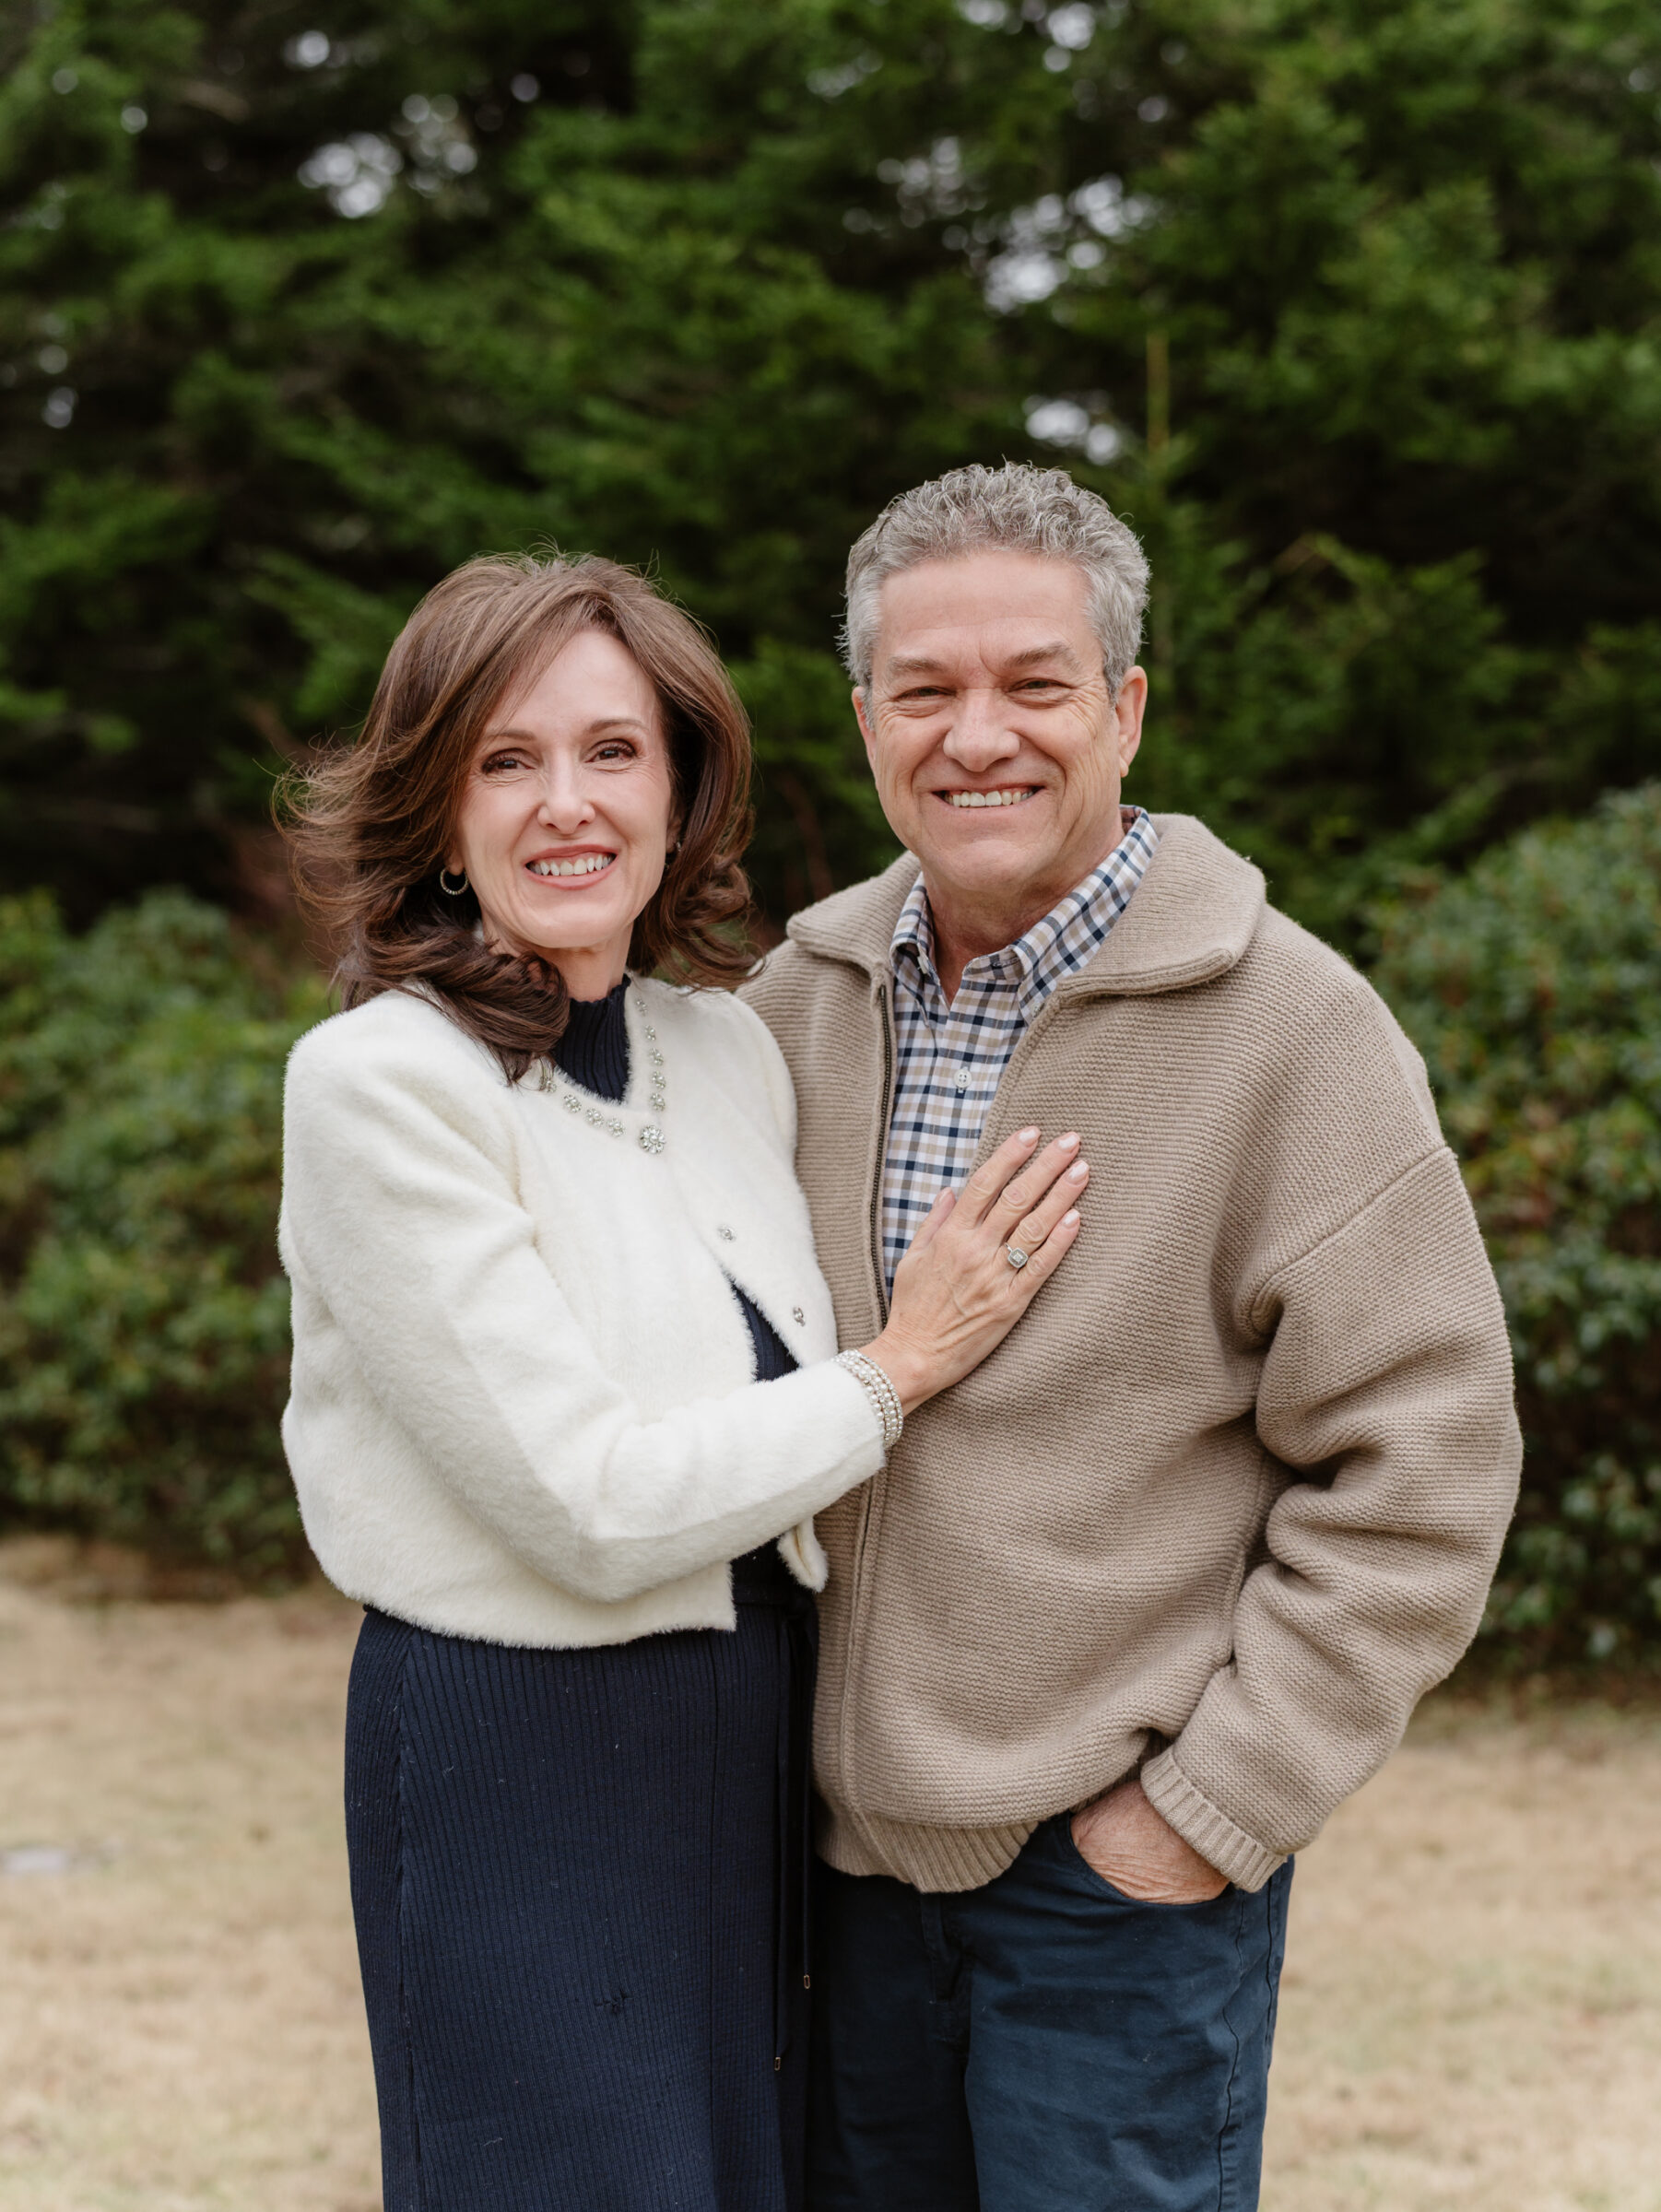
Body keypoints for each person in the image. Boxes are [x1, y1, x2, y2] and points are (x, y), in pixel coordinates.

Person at [741, 462, 1523, 2212]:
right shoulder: (782, 1012)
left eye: (1033, 683)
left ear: (1126, 707)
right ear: (863, 717)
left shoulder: (1292, 1031)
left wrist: (1204, 1809)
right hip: (830, 1881)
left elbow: (1428, 1465)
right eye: (924, 691)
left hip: (1111, 1891)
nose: (977, 737)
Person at [277, 551, 1088, 2212]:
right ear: (437, 811)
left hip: (747, 1738)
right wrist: (900, 1368)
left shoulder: (725, 1051)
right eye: (506, 761)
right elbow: (585, 1501)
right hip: (521, 1745)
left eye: (610, 752)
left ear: (677, 789)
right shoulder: (379, 1085)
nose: (565, 805)